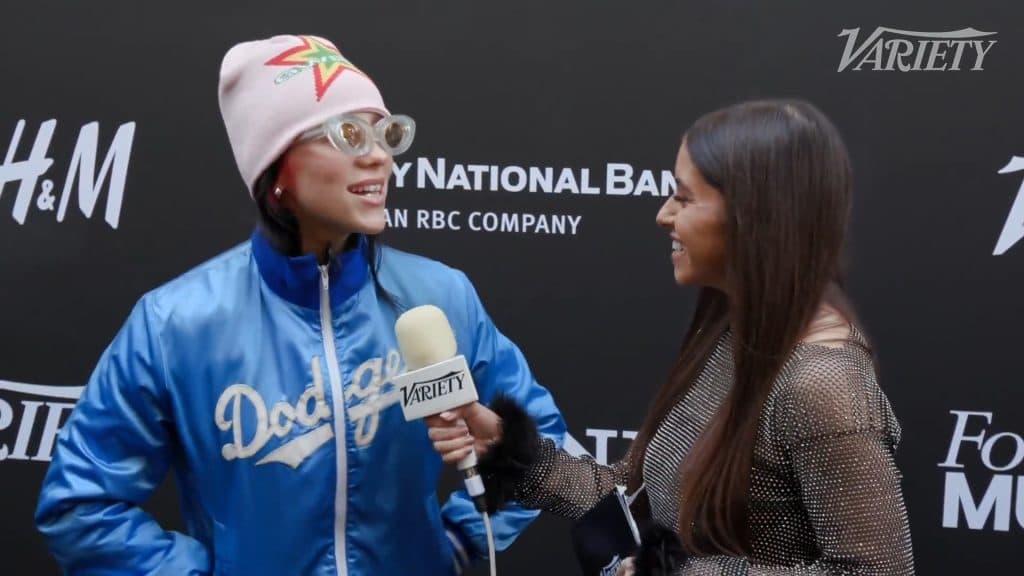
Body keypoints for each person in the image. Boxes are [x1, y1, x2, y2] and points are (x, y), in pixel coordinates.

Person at [34, 34, 566, 576]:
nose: (379, 156)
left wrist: (453, 542)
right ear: (276, 171)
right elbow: (81, 505)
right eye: (350, 135)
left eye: (386, 134)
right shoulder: (175, 323)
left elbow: (545, 445)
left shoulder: (440, 296)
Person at [428, 100, 915, 575]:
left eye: (683, 198)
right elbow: (634, 498)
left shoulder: (821, 384)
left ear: (754, 215)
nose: (663, 215)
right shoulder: (732, 332)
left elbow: (875, 570)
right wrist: (510, 449)